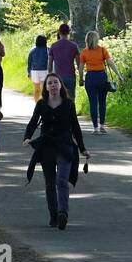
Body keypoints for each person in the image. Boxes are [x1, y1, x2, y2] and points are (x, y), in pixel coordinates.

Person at [23, 73, 89, 229]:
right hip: (46, 147)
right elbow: (33, 122)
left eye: (55, 82)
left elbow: (76, 128)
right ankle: (53, 214)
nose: (53, 85)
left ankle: (62, 213)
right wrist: (27, 137)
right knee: (50, 183)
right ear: (46, 87)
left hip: (65, 146)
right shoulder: (41, 104)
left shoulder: (68, 104)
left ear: (60, 85)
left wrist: (83, 149)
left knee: (62, 180)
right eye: (49, 83)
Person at [79, 30, 122, 133]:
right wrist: (119, 75)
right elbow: (110, 63)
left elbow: (81, 67)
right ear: (96, 39)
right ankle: (102, 126)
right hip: (102, 77)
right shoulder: (103, 50)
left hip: (90, 78)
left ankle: (95, 128)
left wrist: (81, 78)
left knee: (93, 103)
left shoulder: (84, 52)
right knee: (102, 102)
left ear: (87, 40)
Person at [48, 23, 81, 99]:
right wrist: (81, 78)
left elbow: (49, 64)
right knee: (71, 98)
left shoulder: (53, 46)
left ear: (59, 32)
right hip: (70, 76)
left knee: (59, 99)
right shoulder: (73, 46)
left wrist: (49, 76)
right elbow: (79, 63)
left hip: (58, 77)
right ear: (69, 32)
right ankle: (70, 111)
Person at [27, 35, 50, 102]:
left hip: (34, 71)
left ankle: (37, 104)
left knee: (36, 89)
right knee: (44, 89)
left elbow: (29, 62)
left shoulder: (32, 50)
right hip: (45, 70)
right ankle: (44, 104)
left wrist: (28, 72)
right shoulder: (48, 49)